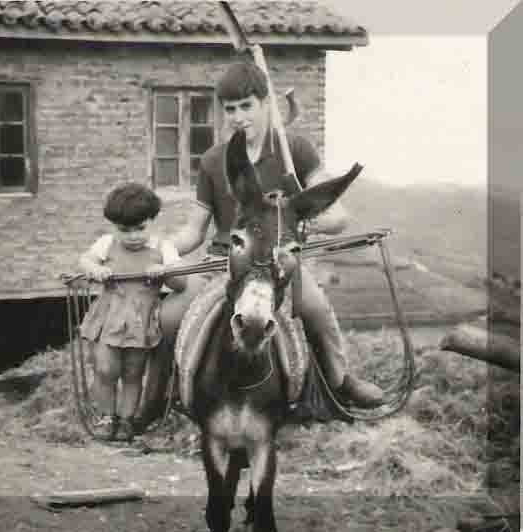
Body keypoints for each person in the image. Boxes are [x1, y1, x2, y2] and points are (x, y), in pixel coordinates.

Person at [139, 62, 385, 424]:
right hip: (226, 261)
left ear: (265, 103)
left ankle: (339, 382)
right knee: (169, 317)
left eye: (246, 107)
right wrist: (166, 249)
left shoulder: (294, 151)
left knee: (315, 308)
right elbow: (195, 229)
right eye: (230, 109)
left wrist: (310, 221)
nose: (238, 117)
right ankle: (156, 400)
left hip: (278, 263)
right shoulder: (213, 160)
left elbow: (338, 216)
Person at [79, 182, 187, 442]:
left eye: (140, 229)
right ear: (113, 227)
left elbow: (180, 283)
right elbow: (85, 260)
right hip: (109, 315)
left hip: (141, 318)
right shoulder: (106, 243)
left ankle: (126, 420)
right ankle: (106, 417)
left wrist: (165, 271)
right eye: (124, 231)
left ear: (153, 221)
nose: (133, 236)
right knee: (105, 369)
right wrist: (95, 270)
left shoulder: (164, 248)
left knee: (133, 373)